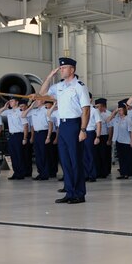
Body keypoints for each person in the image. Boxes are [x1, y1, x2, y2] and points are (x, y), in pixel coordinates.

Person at [37, 57, 90, 204]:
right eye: (60, 68)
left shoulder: (80, 86)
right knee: (65, 161)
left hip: (75, 125)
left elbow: (85, 110)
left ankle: (79, 194)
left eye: (64, 68)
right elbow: (42, 95)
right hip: (63, 125)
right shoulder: (59, 86)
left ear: (72, 69)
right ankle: (70, 192)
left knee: (75, 160)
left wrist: (83, 129)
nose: (61, 70)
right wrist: (49, 77)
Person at [22, 98, 51, 180]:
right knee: (38, 154)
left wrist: (48, 137)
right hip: (36, 134)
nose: (36, 102)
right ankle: (40, 172)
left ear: (43, 101)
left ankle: (45, 174)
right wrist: (31, 106)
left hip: (43, 132)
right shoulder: (33, 111)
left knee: (43, 154)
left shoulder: (46, 110)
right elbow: (23, 115)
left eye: (37, 100)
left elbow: (50, 124)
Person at [0, 98, 27, 179]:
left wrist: (25, 138)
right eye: (10, 101)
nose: (10, 102)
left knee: (19, 154)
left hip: (19, 135)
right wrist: (4, 107)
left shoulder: (21, 111)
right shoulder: (9, 111)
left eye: (12, 101)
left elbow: (25, 126)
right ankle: (16, 172)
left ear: (17, 102)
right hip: (11, 135)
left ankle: (21, 173)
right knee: (13, 155)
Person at [110, 101, 132, 179]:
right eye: (119, 110)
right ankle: (122, 172)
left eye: (121, 110)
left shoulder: (128, 119)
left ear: (124, 110)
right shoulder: (116, 119)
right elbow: (108, 120)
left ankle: (127, 173)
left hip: (127, 141)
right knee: (121, 158)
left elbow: (131, 131)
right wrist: (114, 112)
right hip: (118, 140)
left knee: (127, 157)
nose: (120, 111)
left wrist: (131, 141)